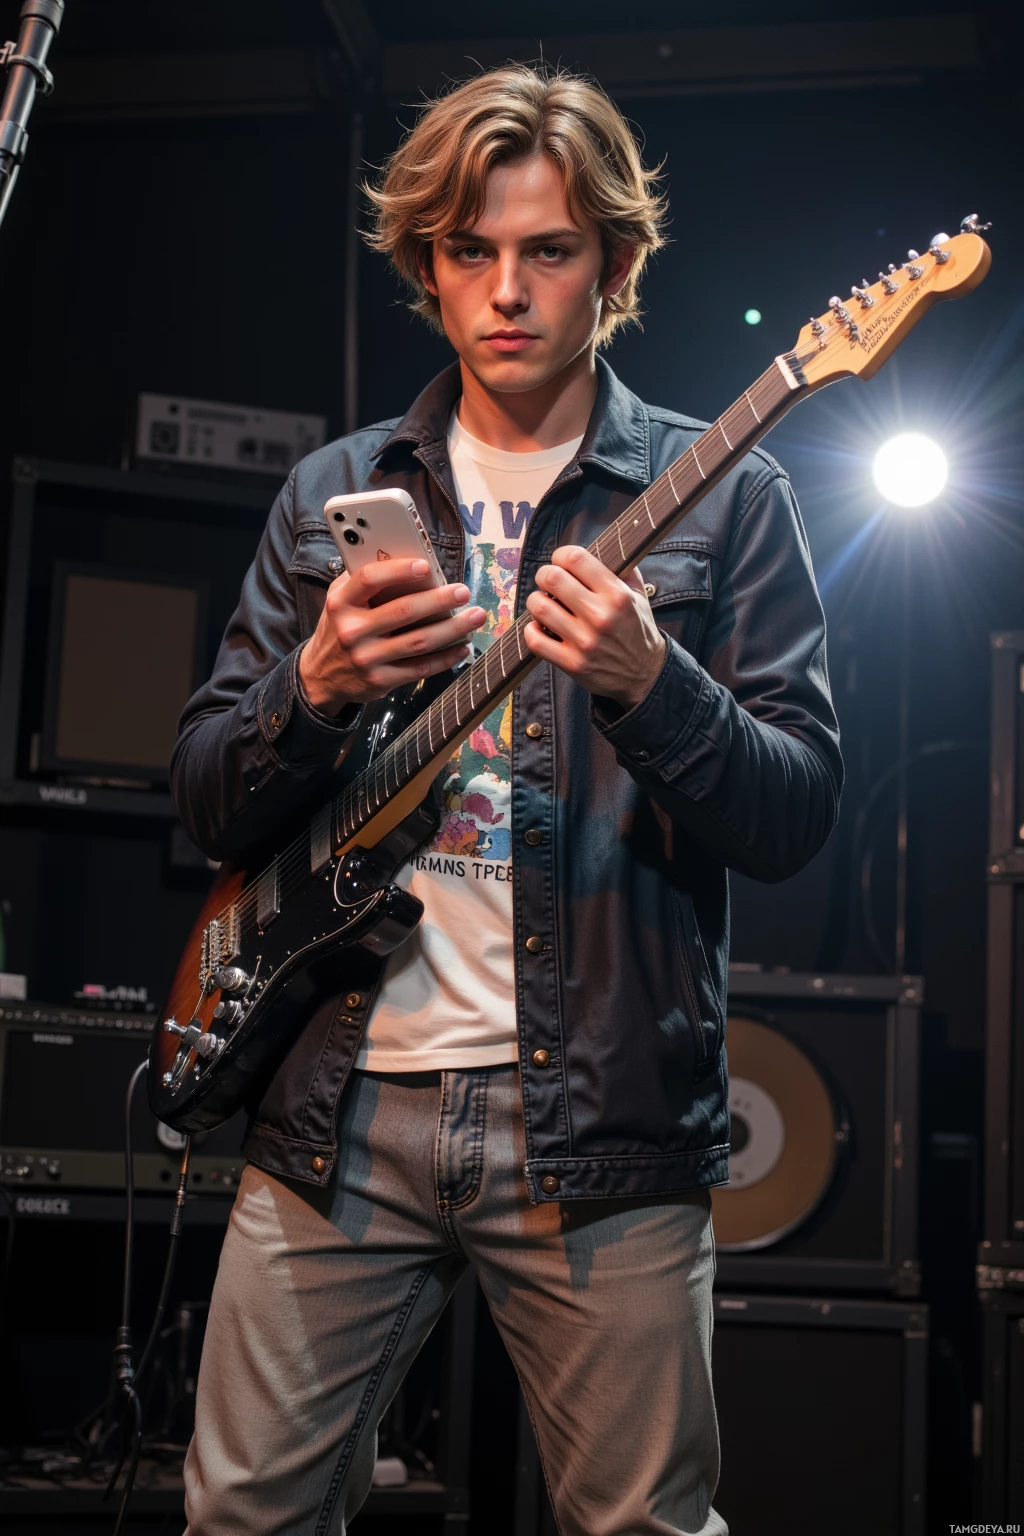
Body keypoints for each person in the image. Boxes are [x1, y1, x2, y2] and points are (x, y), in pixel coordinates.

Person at [173, 64, 842, 1536]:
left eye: (548, 250)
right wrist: (319, 686)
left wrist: (652, 681)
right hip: (334, 1107)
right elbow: (209, 800)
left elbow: (797, 818)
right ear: (427, 265)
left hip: (598, 1122)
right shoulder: (334, 492)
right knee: (238, 1521)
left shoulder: (726, 494)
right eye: (471, 250)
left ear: (615, 261)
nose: (508, 289)